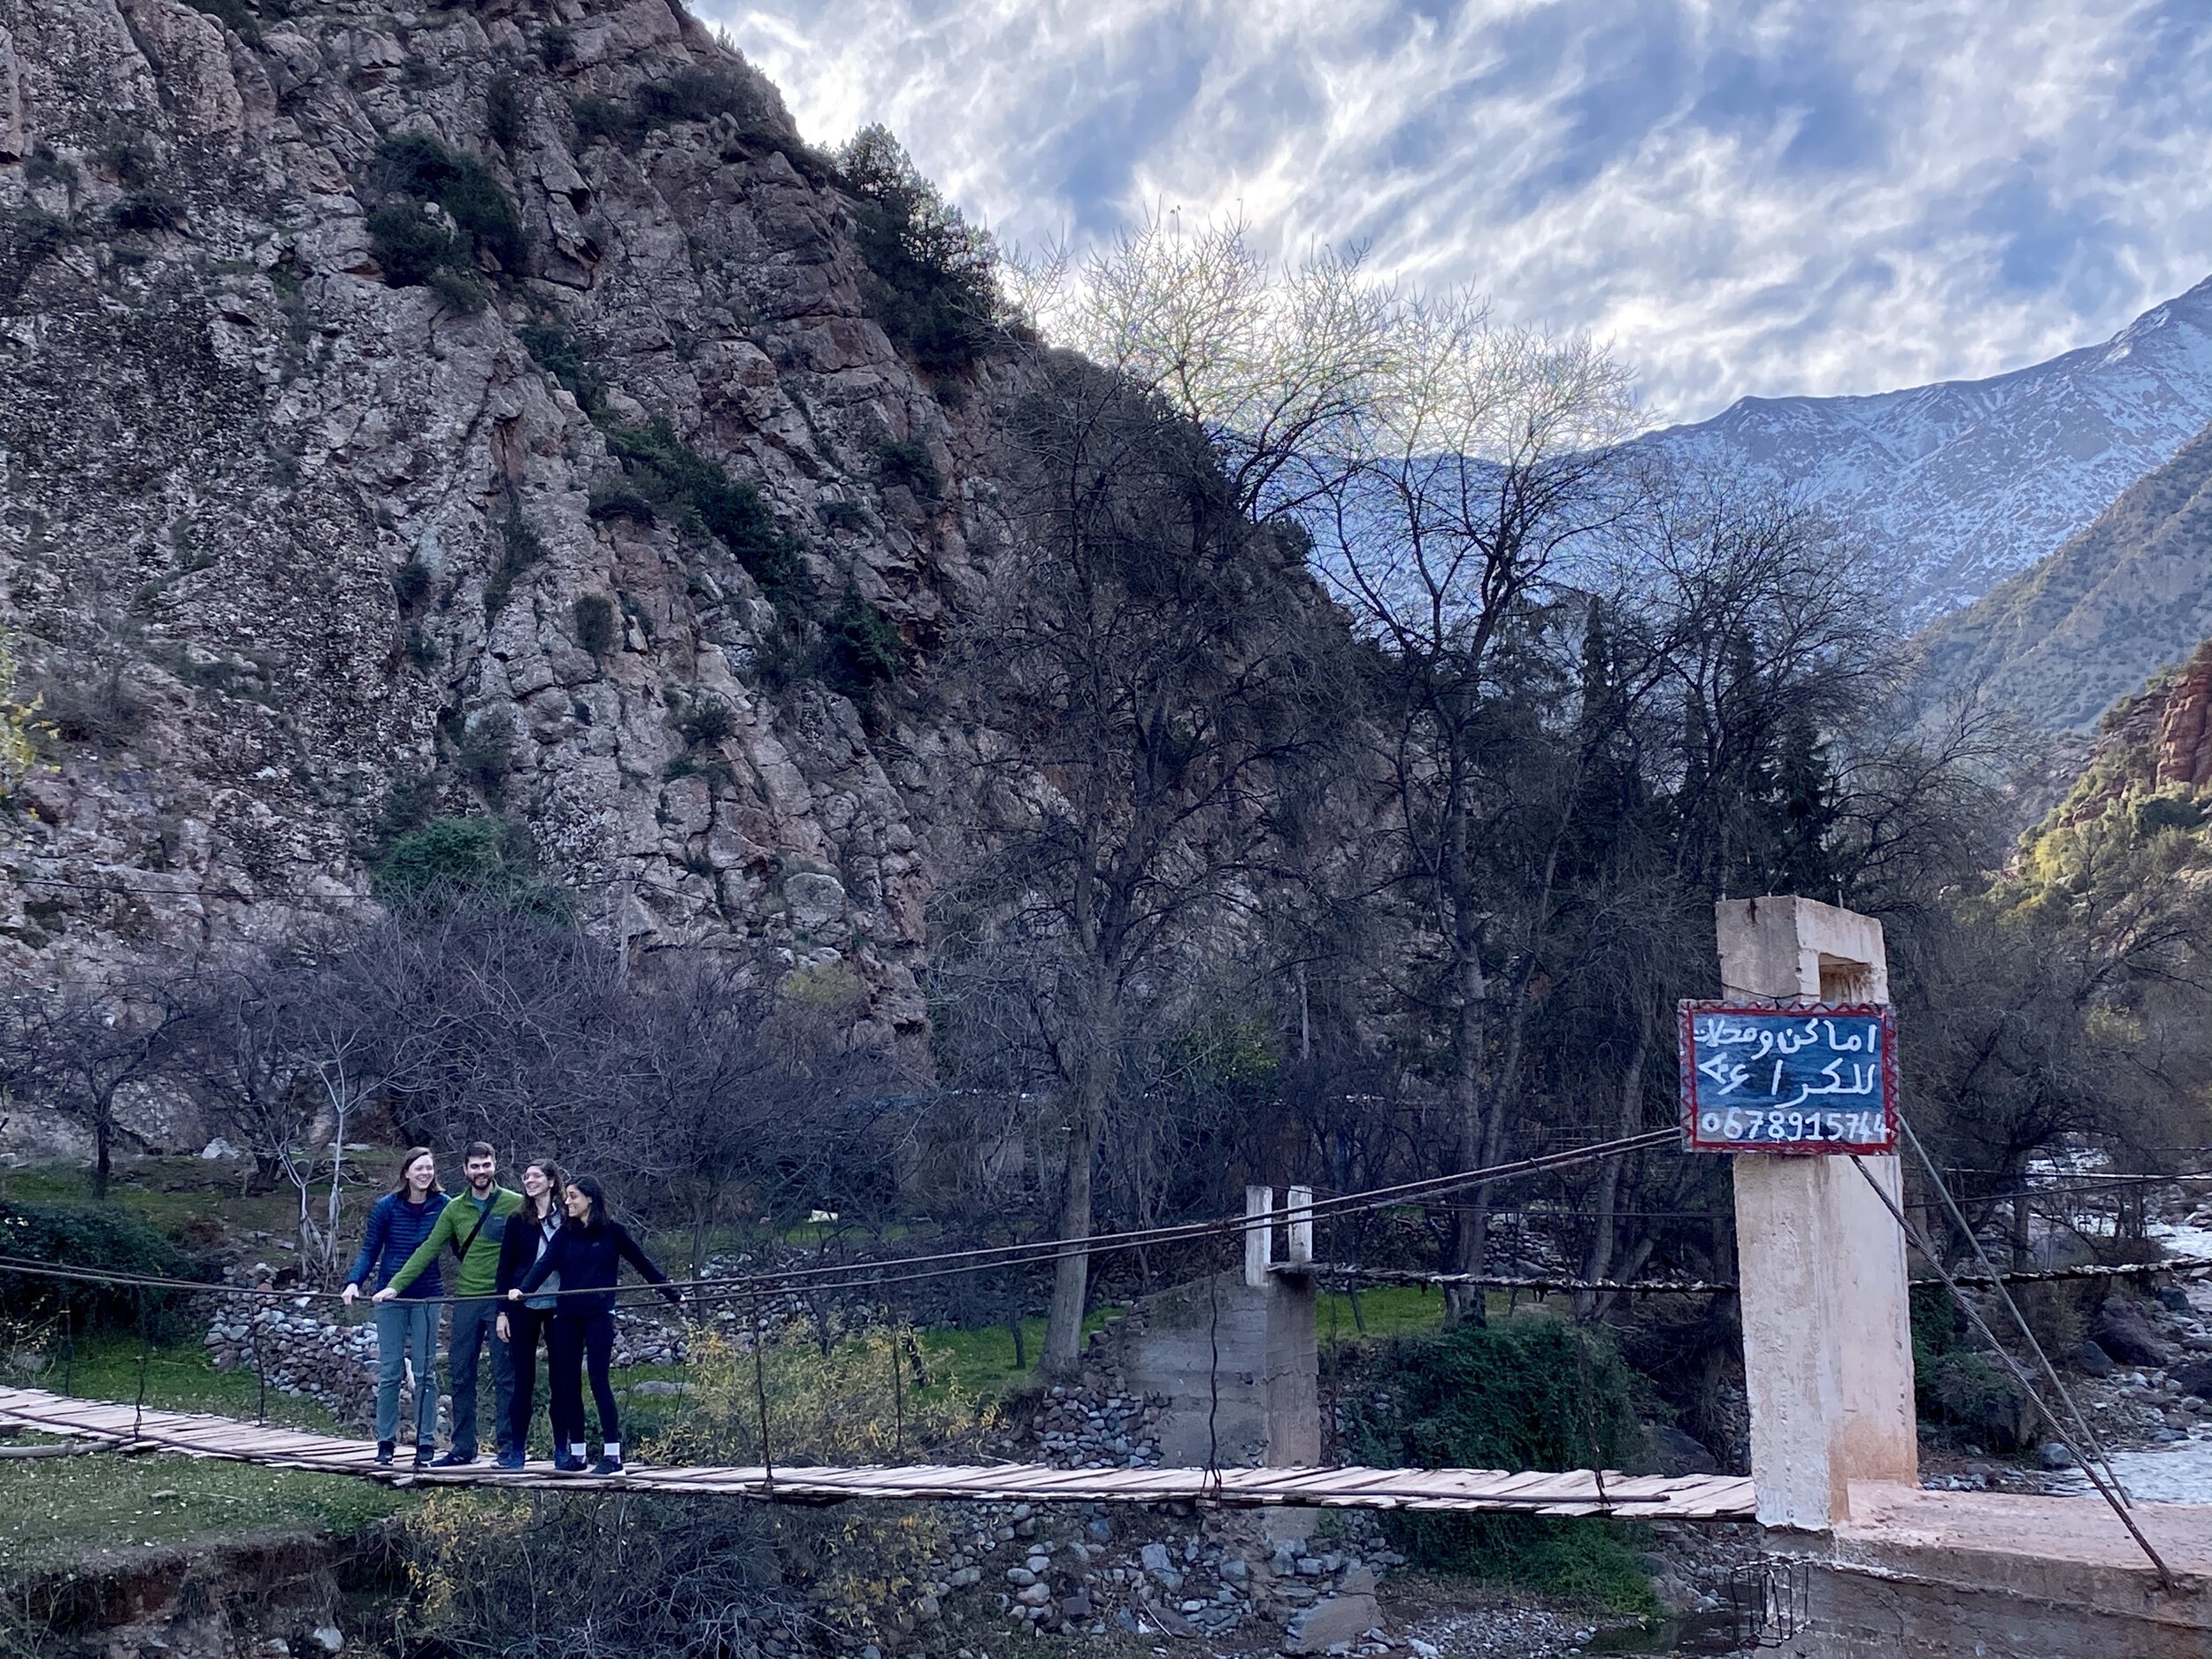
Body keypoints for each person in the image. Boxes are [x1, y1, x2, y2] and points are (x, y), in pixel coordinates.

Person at [511, 1174, 682, 1474]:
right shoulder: (564, 1234)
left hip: (599, 1314)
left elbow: (643, 1264)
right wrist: (522, 1290)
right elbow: (544, 1265)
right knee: (568, 1382)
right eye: (567, 1197)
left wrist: (672, 1294)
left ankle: (612, 1455)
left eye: (574, 1196)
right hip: (566, 1315)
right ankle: (578, 1454)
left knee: (599, 1379)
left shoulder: (613, 1233)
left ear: (590, 1198)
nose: (568, 1201)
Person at [377, 1141, 522, 1467]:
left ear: (494, 1165)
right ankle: (463, 1448)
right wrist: (395, 1286)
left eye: (486, 1165)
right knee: (461, 1373)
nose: (480, 1171)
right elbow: (429, 1248)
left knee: (504, 1375)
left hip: (501, 1302)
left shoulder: (514, 1204)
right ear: (464, 1170)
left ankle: (508, 1449)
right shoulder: (454, 1209)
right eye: (474, 1166)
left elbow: (535, 1248)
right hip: (466, 1300)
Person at [342, 1148, 449, 1469]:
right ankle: (385, 1442)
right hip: (389, 1298)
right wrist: (353, 1282)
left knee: (425, 1373)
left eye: (429, 1168)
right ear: (406, 1172)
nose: (425, 1174)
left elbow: (463, 1244)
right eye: (419, 1168)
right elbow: (369, 1249)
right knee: (389, 1372)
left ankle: (426, 1444)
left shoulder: (444, 1206)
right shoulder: (386, 1207)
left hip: (428, 1296)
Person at [492, 1157, 564, 1470]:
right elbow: (505, 1269)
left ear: (551, 1181)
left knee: (561, 1379)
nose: (529, 1181)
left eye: (536, 1176)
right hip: (523, 1305)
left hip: (561, 1305)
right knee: (523, 1379)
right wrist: (502, 1312)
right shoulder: (517, 1219)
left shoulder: (568, 1217)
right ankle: (516, 1451)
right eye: (526, 1176)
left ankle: (563, 1449)